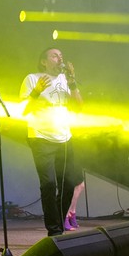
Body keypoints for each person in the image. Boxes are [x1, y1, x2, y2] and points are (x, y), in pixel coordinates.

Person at [19, 48, 85, 236]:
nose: (59, 59)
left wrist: (73, 83)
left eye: (61, 56)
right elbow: (22, 110)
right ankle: (54, 231)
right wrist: (36, 92)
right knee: (49, 184)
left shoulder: (66, 80)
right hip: (41, 137)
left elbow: (79, 107)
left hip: (64, 138)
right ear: (43, 61)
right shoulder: (32, 79)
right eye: (54, 56)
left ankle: (58, 225)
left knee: (68, 185)